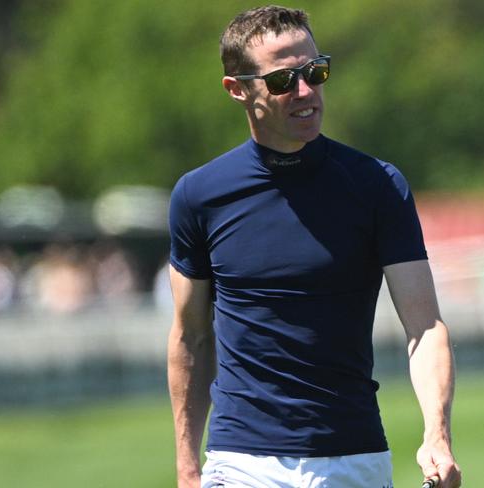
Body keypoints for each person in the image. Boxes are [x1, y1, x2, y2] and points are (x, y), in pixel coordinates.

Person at [167, 5, 461, 488]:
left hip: (354, 456)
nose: (306, 92)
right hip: (242, 459)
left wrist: (438, 434)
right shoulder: (199, 195)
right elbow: (190, 337)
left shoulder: (377, 186)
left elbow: (424, 326)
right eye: (283, 80)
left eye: (315, 72)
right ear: (238, 89)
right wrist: (186, 465)